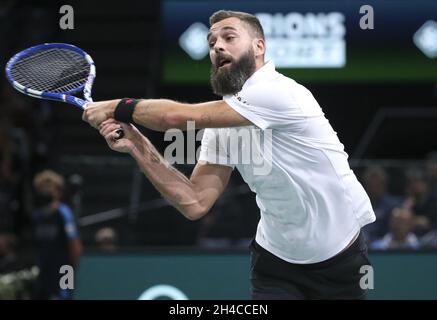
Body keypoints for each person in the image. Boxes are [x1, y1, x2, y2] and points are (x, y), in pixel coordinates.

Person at [82, 10, 376, 299]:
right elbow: (195, 201)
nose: (217, 46)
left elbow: (175, 118)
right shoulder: (224, 124)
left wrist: (116, 106)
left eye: (229, 37)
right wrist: (137, 144)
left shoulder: (280, 92)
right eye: (211, 43)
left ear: (259, 46)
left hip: (340, 259)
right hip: (275, 263)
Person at [31, 169, 82, 299]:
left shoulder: (64, 213)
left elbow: (75, 247)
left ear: (58, 192)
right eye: (43, 188)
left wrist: (70, 271)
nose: (46, 191)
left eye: (50, 188)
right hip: (44, 271)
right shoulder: (37, 216)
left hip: (65, 270)